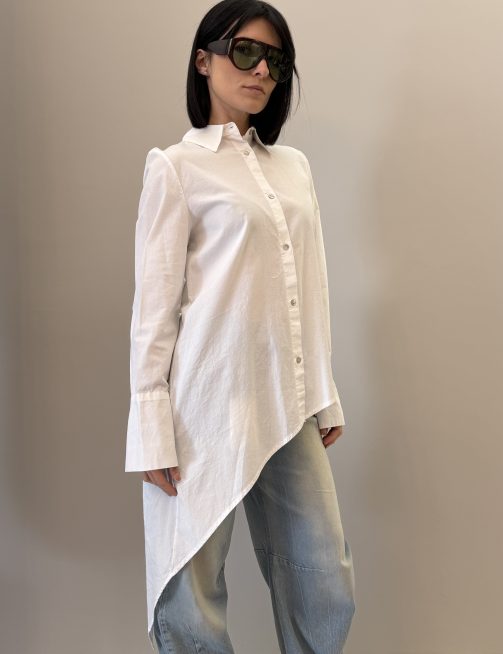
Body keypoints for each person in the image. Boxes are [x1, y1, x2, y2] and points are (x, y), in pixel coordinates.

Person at [125, 0, 356, 651]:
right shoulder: (175, 167)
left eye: (275, 61)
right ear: (204, 61)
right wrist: (150, 424)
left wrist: (325, 392)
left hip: (288, 399)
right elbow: (154, 306)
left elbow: (311, 285)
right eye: (245, 51)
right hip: (203, 404)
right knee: (190, 589)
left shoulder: (294, 168)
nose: (260, 71)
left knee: (324, 580)